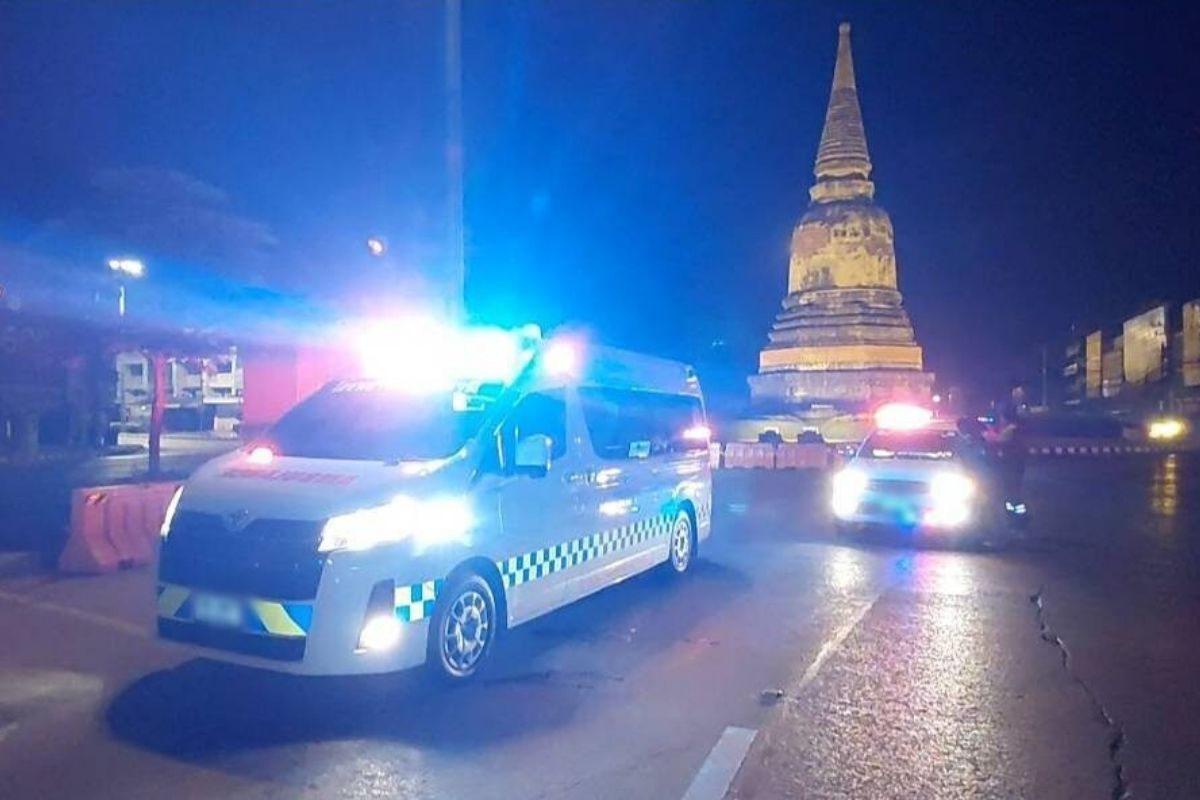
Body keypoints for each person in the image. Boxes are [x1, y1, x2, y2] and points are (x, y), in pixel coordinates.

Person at [987, 382, 1027, 517]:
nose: (1000, 419)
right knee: (1012, 490)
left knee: (1010, 490)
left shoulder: (1011, 429)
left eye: (1002, 416)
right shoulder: (1012, 427)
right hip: (1013, 463)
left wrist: (989, 435)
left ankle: (1014, 516)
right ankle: (1014, 513)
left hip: (1011, 463)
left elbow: (1000, 440)